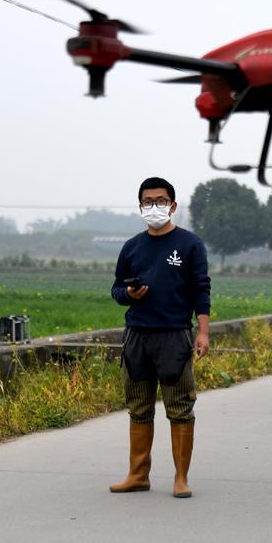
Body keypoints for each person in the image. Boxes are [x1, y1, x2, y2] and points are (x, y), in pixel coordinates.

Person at [109, 176, 210, 498]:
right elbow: (115, 290)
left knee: (179, 408)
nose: (155, 207)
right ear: (140, 207)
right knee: (139, 408)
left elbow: (201, 289)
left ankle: (181, 478)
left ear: (173, 205)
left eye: (161, 201)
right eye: (148, 202)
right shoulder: (132, 247)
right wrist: (129, 293)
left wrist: (203, 332)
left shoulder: (190, 244)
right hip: (137, 336)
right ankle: (138, 474)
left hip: (175, 337)